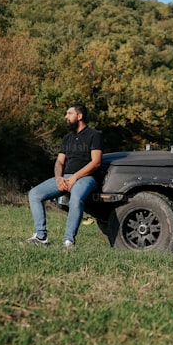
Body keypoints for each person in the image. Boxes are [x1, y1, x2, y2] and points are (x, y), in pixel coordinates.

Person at [25, 103, 103, 248]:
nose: (66, 117)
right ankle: (41, 237)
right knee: (34, 194)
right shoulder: (67, 138)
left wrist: (75, 177)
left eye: (69, 113)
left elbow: (96, 162)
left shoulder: (94, 135)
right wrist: (58, 178)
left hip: (86, 178)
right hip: (65, 177)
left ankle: (68, 241)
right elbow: (59, 162)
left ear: (79, 116)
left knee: (76, 199)